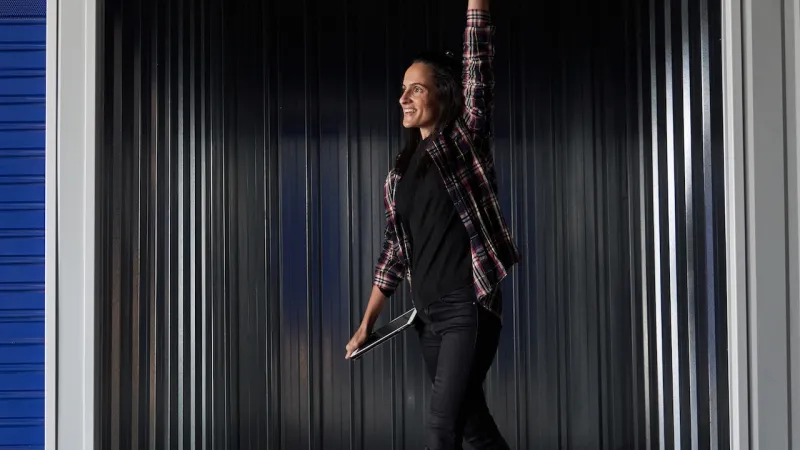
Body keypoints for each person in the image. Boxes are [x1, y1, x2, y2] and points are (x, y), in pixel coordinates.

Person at [344, 1, 519, 449]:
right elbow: (394, 253)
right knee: (471, 425)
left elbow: (477, 69)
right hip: (426, 318)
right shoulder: (400, 175)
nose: (403, 98)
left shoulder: (463, 143)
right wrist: (367, 322)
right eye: (402, 89)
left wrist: (475, 8)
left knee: (442, 428)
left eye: (416, 90)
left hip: (467, 309)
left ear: (442, 94)